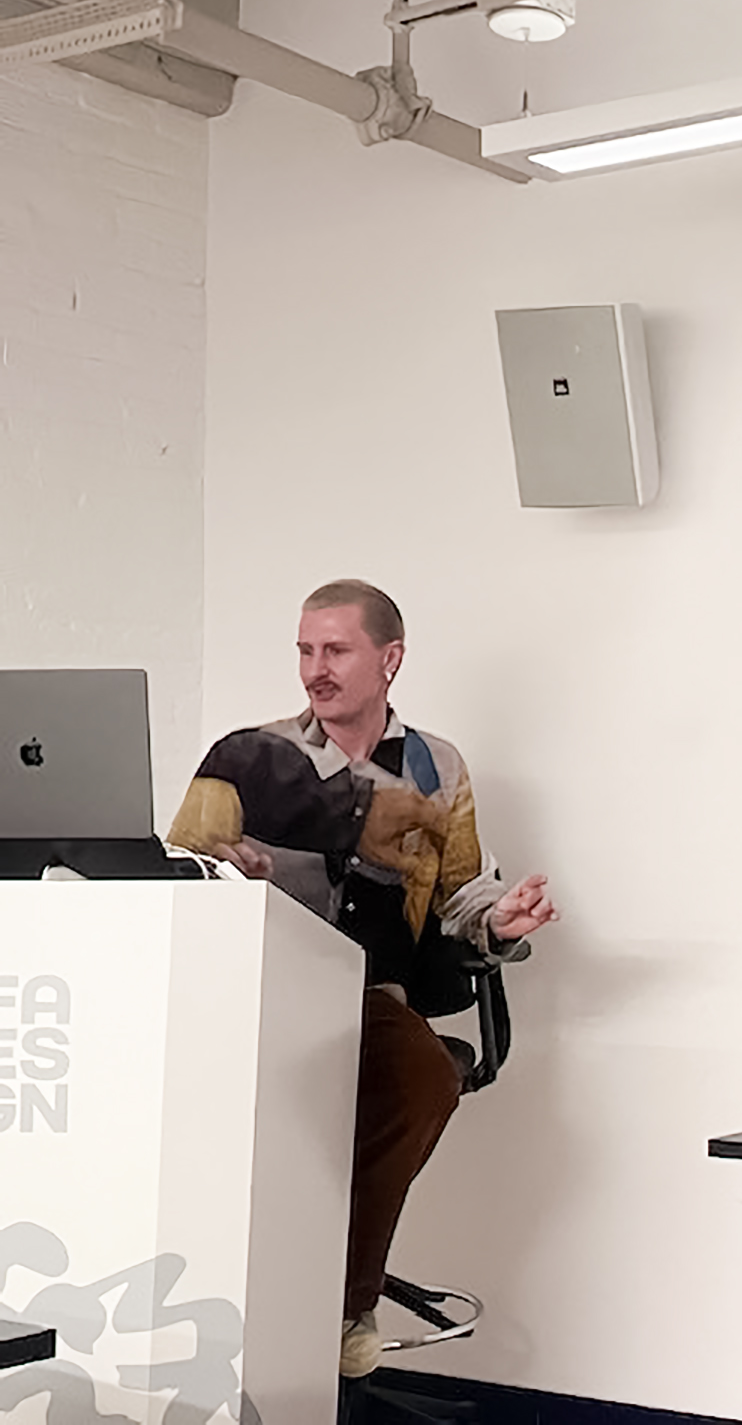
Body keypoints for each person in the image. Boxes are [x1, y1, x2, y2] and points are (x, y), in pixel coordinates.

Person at [165, 579, 558, 1379]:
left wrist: (500, 920)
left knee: (420, 1075)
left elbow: (460, 896)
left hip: (366, 997)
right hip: (253, 996)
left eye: (336, 650)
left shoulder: (435, 768)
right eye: (306, 650)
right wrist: (227, 869)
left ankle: (341, 1300)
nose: (316, 668)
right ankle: (194, 1308)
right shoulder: (243, 757)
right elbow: (175, 876)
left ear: (390, 659)